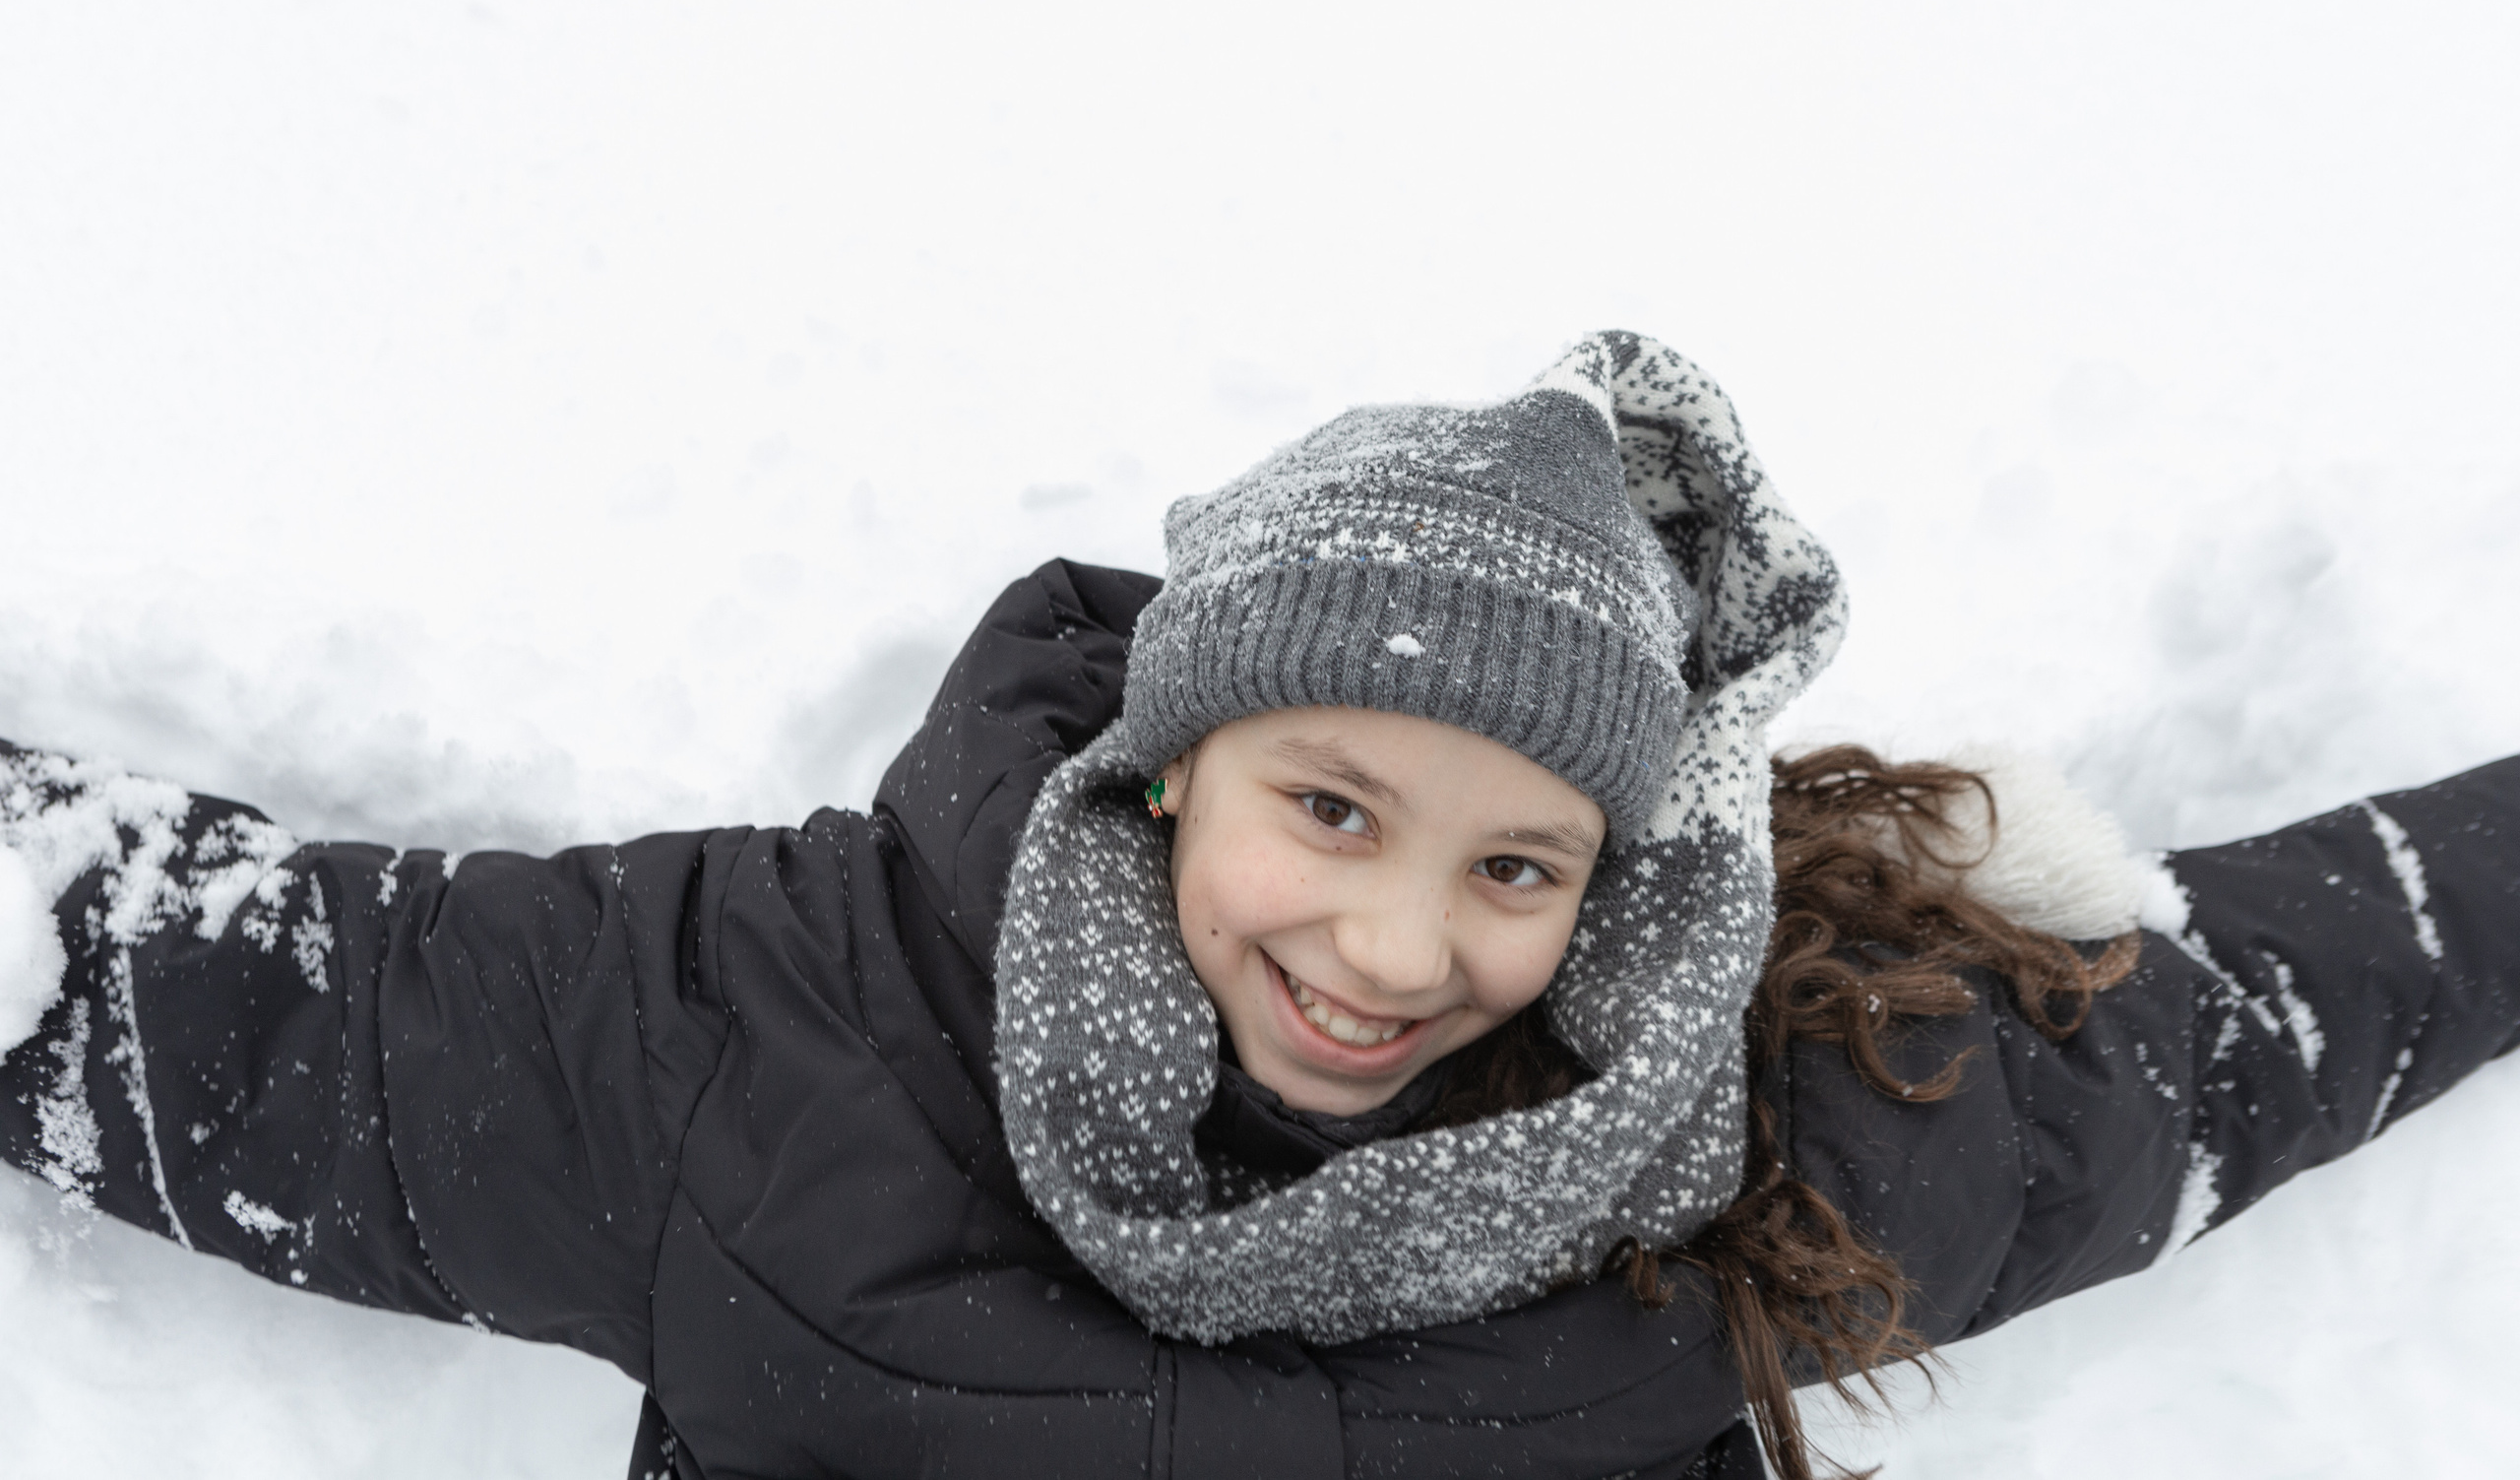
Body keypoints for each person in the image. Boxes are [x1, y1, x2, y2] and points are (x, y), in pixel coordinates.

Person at [1, 332, 2513, 1480]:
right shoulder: (766, 1032)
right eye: (1327, 806)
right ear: (1171, 753)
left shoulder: (1749, 1124)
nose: (1400, 950)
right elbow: (225, 1002)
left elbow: (2274, 1004)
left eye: (1515, 865)